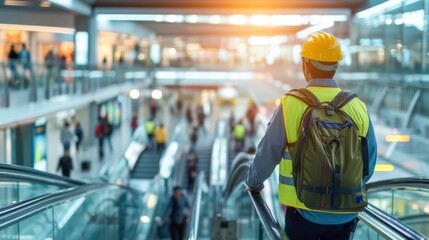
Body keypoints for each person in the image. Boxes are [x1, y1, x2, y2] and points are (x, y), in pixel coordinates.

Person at [245, 31, 377, 240]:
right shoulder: (357, 106)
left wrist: (253, 183)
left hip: (303, 211)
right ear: (335, 66)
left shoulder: (291, 104)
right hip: (345, 213)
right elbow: (368, 164)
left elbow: (268, 153)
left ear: (305, 65)